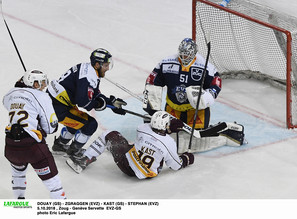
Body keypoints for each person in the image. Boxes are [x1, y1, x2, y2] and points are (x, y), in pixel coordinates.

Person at [142, 38, 245, 153]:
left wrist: (208, 96)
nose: (183, 57)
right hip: (172, 109)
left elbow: (217, 82)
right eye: (182, 54)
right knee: (166, 133)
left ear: (193, 54)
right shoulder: (167, 62)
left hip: (196, 111)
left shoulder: (204, 66)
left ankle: (225, 133)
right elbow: (153, 80)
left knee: (196, 140)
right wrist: (152, 103)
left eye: (187, 55)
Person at [47, 48, 127, 162]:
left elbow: (93, 93)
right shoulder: (88, 76)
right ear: (97, 64)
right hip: (57, 107)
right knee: (90, 124)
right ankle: (74, 152)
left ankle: (60, 145)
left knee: (76, 121)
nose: (108, 68)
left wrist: (111, 102)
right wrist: (101, 104)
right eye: (105, 65)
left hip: (58, 102)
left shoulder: (88, 69)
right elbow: (84, 102)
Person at [66, 111, 195, 176]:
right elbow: (176, 166)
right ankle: (87, 159)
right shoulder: (169, 142)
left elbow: (149, 125)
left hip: (127, 165)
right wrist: (186, 159)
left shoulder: (142, 128)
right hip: (148, 173)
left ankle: (84, 159)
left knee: (109, 134)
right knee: (157, 153)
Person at [3, 69, 66, 199]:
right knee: (54, 185)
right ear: (35, 84)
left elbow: (5, 102)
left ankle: (19, 205)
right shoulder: (42, 96)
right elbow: (50, 128)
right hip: (33, 149)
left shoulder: (10, 93)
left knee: (18, 175)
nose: (44, 86)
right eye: (42, 83)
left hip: (11, 147)